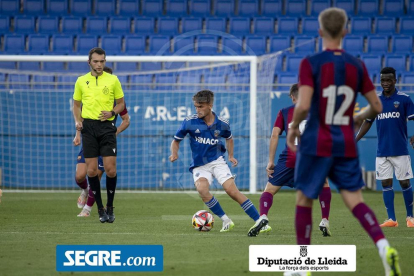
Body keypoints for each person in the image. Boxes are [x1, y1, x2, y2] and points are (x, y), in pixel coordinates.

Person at [285, 8, 400, 276]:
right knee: (355, 200)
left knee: (303, 200)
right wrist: (356, 116)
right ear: (346, 31)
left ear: (320, 31)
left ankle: (303, 265)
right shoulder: (356, 65)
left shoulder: (310, 63)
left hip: (316, 140)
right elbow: (376, 105)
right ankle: (384, 249)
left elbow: (302, 106)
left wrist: (292, 127)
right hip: (345, 141)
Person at [169, 90, 264, 236]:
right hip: (200, 164)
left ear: (210, 105)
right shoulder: (190, 122)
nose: (197, 110)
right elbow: (176, 140)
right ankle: (226, 220)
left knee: (231, 191)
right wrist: (174, 153)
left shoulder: (222, 124)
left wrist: (231, 156)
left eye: (200, 106)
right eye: (195, 106)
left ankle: (260, 221)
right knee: (202, 190)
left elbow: (229, 138)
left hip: (218, 161)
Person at [249, 84, 332, 237]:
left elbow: (275, 135)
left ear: (292, 97)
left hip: (290, 158)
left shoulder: (284, 112)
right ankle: (324, 220)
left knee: (269, 190)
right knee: (324, 184)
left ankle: (263, 216)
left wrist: (271, 162)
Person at [356, 67, 414, 228]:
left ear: (395, 80)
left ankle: (410, 217)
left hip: (400, 149)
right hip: (382, 151)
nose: (386, 83)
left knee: (404, 182)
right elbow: (367, 123)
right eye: (383, 80)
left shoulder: (404, 99)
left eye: (389, 80)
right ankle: (392, 219)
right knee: (386, 183)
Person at [73, 48, 125, 223]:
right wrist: (78, 121)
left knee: (110, 170)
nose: (99, 64)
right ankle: (100, 209)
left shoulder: (113, 80)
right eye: (96, 61)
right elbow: (76, 106)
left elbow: (121, 104)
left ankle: (110, 207)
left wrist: (111, 111)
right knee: (91, 171)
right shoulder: (81, 81)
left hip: (107, 127)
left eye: (102, 61)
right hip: (89, 128)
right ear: (89, 62)